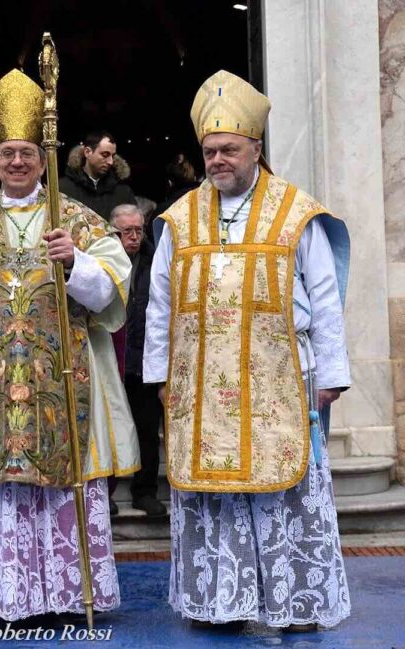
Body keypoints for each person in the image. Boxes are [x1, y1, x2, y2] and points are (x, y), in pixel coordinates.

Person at [0, 69, 139, 622]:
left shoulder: (77, 222)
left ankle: (61, 596)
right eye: (8, 153)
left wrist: (75, 263)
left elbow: (111, 291)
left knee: (60, 485)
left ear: (45, 159)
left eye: (28, 153)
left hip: (62, 385)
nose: (17, 162)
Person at [143, 70, 351, 631]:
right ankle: (219, 604)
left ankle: (293, 602)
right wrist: (160, 374)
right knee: (214, 495)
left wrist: (331, 373)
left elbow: (325, 299)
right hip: (199, 386)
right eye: (209, 151)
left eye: (229, 149)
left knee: (282, 490)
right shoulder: (180, 218)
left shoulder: (294, 212)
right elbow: (159, 302)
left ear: (255, 149)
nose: (217, 160)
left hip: (281, 379)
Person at [109, 205, 164, 518]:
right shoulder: (103, 261)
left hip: (145, 358)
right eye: (125, 231)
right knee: (111, 428)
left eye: (137, 230)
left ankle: (145, 491)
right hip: (112, 358)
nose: (132, 237)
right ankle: (108, 491)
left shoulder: (155, 261)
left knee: (146, 429)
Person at [58, 130, 136, 220]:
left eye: (112, 156)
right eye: (105, 155)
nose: (110, 161)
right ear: (87, 152)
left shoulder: (123, 191)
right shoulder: (63, 188)